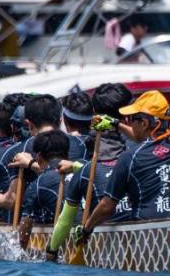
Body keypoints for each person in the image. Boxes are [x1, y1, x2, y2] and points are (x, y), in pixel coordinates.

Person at [78, 91, 170, 233]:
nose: (129, 123)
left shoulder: (129, 157)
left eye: (132, 119)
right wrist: (116, 124)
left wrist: (86, 229)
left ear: (144, 123)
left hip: (146, 235)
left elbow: (107, 206)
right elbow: (149, 140)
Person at [50, 83, 133, 256]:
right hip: (142, 230)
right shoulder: (142, 149)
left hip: (101, 237)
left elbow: (65, 222)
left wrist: (51, 252)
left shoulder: (87, 167)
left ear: (94, 112)